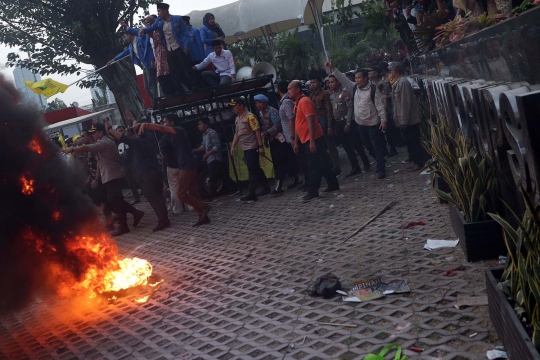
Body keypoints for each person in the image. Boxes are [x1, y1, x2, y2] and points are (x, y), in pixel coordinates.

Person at [61, 123, 145, 236]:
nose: (93, 135)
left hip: (113, 175)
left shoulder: (104, 142)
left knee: (114, 200)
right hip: (109, 175)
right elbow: (99, 162)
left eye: (95, 132)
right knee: (115, 200)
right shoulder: (102, 142)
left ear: (101, 132)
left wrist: (71, 149)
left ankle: (125, 224)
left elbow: (88, 148)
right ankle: (133, 215)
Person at [138, 115, 212, 227]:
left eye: (165, 122)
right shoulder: (170, 136)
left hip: (188, 165)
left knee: (181, 193)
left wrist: (146, 125)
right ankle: (202, 215)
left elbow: (162, 129)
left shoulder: (179, 130)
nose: (163, 124)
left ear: (172, 123)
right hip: (184, 165)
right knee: (193, 191)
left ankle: (203, 207)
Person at [326, 61, 388, 179]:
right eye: (356, 78)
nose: (357, 80)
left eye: (359, 78)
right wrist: (333, 68)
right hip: (360, 123)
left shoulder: (373, 89)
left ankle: (381, 168)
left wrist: (383, 121)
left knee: (376, 145)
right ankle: (380, 161)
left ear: (365, 78)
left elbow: (380, 106)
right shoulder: (354, 88)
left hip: (373, 123)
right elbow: (343, 79)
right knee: (368, 147)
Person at [107, 122, 170, 232]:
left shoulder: (137, 142)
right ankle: (164, 219)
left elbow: (122, 137)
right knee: (158, 197)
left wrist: (109, 128)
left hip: (147, 174)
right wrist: (138, 126)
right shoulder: (149, 138)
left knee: (154, 198)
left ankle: (163, 221)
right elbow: (142, 129)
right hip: (155, 171)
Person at [288, 81, 339, 202]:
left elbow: (311, 122)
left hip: (314, 138)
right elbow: (297, 123)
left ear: (297, 90)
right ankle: (333, 184)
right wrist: (295, 141)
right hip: (306, 138)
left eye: (290, 89)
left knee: (313, 166)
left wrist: (311, 141)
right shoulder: (297, 103)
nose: (288, 91)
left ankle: (313, 191)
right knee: (323, 162)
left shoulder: (305, 101)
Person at [139, 2, 194, 93]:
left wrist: (186, 45)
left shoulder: (177, 19)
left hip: (179, 48)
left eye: (159, 11)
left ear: (165, 11)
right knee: (174, 72)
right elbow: (151, 28)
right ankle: (180, 92)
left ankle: (195, 87)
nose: (158, 13)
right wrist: (143, 29)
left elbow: (185, 33)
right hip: (169, 50)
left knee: (186, 68)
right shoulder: (159, 22)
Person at [229, 97, 270, 202]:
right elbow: (237, 133)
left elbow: (257, 131)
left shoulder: (250, 117)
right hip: (245, 148)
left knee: (251, 170)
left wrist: (260, 147)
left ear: (241, 106)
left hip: (253, 147)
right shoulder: (237, 118)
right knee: (255, 168)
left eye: (235, 106)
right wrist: (233, 146)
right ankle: (266, 187)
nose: (233, 108)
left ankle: (252, 193)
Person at [328, 74, 369, 177]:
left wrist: (348, 123)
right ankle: (355, 167)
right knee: (346, 146)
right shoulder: (332, 95)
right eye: (329, 82)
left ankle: (366, 162)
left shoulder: (345, 93)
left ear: (338, 82)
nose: (330, 84)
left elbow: (350, 108)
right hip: (338, 122)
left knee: (356, 144)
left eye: (332, 82)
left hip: (347, 121)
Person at [124, 15, 174, 96]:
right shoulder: (149, 34)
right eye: (145, 23)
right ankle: (157, 103)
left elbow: (151, 49)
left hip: (161, 58)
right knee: (148, 87)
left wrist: (152, 59)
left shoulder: (157, 32)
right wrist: (126, 27)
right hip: (151, 62)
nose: (146, 25)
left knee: (160, 81)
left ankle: (162, 101)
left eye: (148, 23)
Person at [391, 62, 426, 172]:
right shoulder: (398, 82)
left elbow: (406, 103)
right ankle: (415, 161)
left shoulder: (404, 82)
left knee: (414, 141)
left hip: (409, 119)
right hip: (403, 118)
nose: (390, 72)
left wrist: (404, 120)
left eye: (391, 70)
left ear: (395, 71)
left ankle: (419, 162)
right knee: (410, 142)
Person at [254, 94, 291, 195]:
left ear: (265, 102)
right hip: (271, 140)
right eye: (257, 103)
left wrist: (268, 132)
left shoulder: (273, 111)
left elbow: (278, 125)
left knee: (280, 161)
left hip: (279, 139)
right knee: (277, 162)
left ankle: (279, 185)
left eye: (259, 103)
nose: (258, 105)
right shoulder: (260, 113)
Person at [107, 31, 156, 105]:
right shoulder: (131, 45)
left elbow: (149, 48)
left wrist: (152, 60)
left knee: (151, 85)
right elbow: (123, 53)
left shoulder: (139, 39)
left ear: (130, 35)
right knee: (146, 87)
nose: (125, 38)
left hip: (149, 64)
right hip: (144, 67)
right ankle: (154, 102)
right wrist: (113, 60)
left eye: (125, 36)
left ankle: (158, 101)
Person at [80, 130, 113, 231]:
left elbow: (99, 163)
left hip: (99, 179)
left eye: (84, 136)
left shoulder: (94, 147)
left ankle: (110, 223)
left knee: (103, 201)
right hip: (93, 178)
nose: (82, 138)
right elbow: (91, 165)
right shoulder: (89, 148)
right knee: (99, 201)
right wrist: (90, 177)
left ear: (90, 136)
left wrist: (96, 178)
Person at [309, 76, 341, 175]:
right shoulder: (311, 96)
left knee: (330, 145)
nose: (312, 84)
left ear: (319, 83)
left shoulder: (324, 94)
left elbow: (328, 110)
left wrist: (329, 126)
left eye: (314, 82)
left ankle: (336, 166)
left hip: (324, 119)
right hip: (316, 121)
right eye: (311, 83)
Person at [276, 80, 301, 188]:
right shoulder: (284, 101)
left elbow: (291, 119)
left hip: (291, 135)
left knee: (298, 158)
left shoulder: (286, 102)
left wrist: (292, 137)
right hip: (288, 135)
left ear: (277, 90)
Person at [370, 65, 399, 157]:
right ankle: (384, 150)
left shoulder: (383, 83)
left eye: (371, 71)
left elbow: (385, 98)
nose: (369, 73)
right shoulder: (371, 84)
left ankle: (393, 148)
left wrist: (385, 113)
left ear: (376, 73)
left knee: (389, 131)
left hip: (385, 110)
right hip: (376, 111)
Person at [193, 118, 224, 202]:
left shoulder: (212, 133)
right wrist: (194, 150)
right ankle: (213, 195)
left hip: (215, 158)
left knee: (212, 177)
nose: (199, 126)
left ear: (206, 125)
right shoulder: (204, 134)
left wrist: (207, 154)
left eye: (200, 124)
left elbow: (217, 146)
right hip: (210, 159)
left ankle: (213, 196)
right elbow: (203, 146)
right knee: (212, 176)